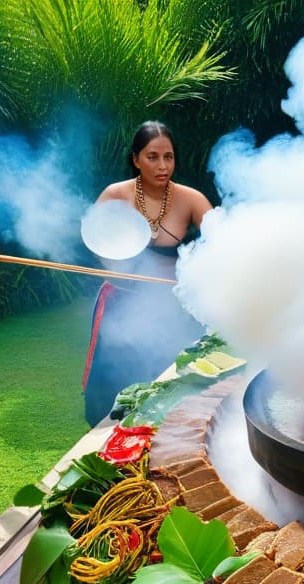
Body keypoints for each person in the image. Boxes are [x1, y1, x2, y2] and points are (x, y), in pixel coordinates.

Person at [82, 121, 212, 426]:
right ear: (135, 159)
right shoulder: (116, 194)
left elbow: (223, 242)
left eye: (168, 157)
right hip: (121, 303)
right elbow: (95, 240)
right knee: (115, 387)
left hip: (172, 305)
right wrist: (114, 265)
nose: (162, 165)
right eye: (152, 156)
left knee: (173, 385)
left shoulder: (190, 199)